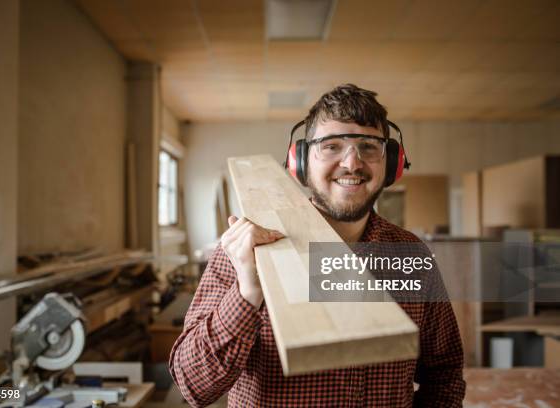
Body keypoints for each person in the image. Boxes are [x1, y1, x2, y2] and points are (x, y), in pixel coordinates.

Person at [169, 84, 465, 407]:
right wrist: (245, 293)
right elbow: (191, 385)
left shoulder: (411, 256)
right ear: (301, 163)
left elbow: (444, 375)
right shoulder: (245, 250)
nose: (352, 163)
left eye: (368, 146)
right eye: (332, 146)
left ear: (391, 163)